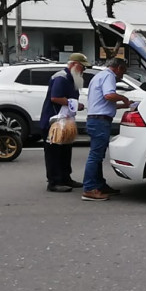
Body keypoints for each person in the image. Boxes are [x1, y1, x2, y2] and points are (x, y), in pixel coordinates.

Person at [82, 57, 131, 201]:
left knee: (98, 155)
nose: (122, 76)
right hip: (100, 121)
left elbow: (103, 103)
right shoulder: (109, 76)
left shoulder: (99, 76)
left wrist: (123, 106)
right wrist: (123, 98)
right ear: (118, 68)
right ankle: (89, 188)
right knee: (95, 156)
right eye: (123, 72)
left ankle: (99, 185)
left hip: (96, 119)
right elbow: (109, 95)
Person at [40, 53, 90, 193]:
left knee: (65, 151)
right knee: (54, 153)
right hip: (54, 121)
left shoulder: (71, 78)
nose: (83, 70)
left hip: (65, 120)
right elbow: (55, 97)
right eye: (82, 67)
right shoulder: (61, 78)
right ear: (74, 64)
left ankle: (65, 178)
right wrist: (74, 104)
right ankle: (54, 182)